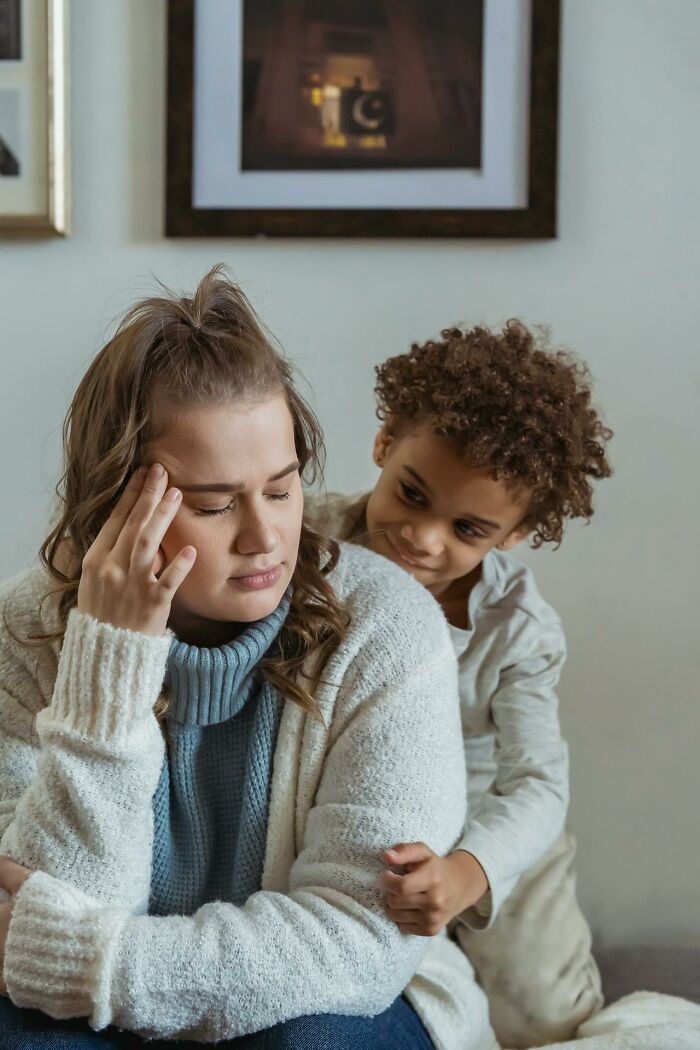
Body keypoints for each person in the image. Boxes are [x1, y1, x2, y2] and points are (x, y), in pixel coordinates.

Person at [0, 270, 495, 1050]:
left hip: (334, 1002)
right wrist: (110, 661)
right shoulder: (25, 630)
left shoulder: (388, 629)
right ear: (114, 505)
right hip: (96, 1016)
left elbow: (353, 941)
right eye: (213, 504)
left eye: (283, 487)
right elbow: (33, 909)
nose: (265, 537)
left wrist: (93, 963)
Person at [306, 321, 613, 1048]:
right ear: (384, 446)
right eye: (410, 495)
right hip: (361, 816)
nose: (424, 537)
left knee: (538, 1017)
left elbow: (537, 783)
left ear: (514, 534)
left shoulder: (521, 630)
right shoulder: (307, 543)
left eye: (467, 529)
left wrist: (470, 871)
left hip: (489, 830)